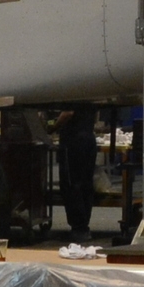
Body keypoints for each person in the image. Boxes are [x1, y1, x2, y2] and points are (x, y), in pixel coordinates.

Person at [54, 103, 97, 243]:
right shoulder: (90, 95)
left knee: (72, 184)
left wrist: (52, 127)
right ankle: (83, 226)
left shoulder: (73, 93)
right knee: (86, 184)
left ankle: (78, 228)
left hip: (73, 140)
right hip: (88, 137)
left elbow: (68, 113)